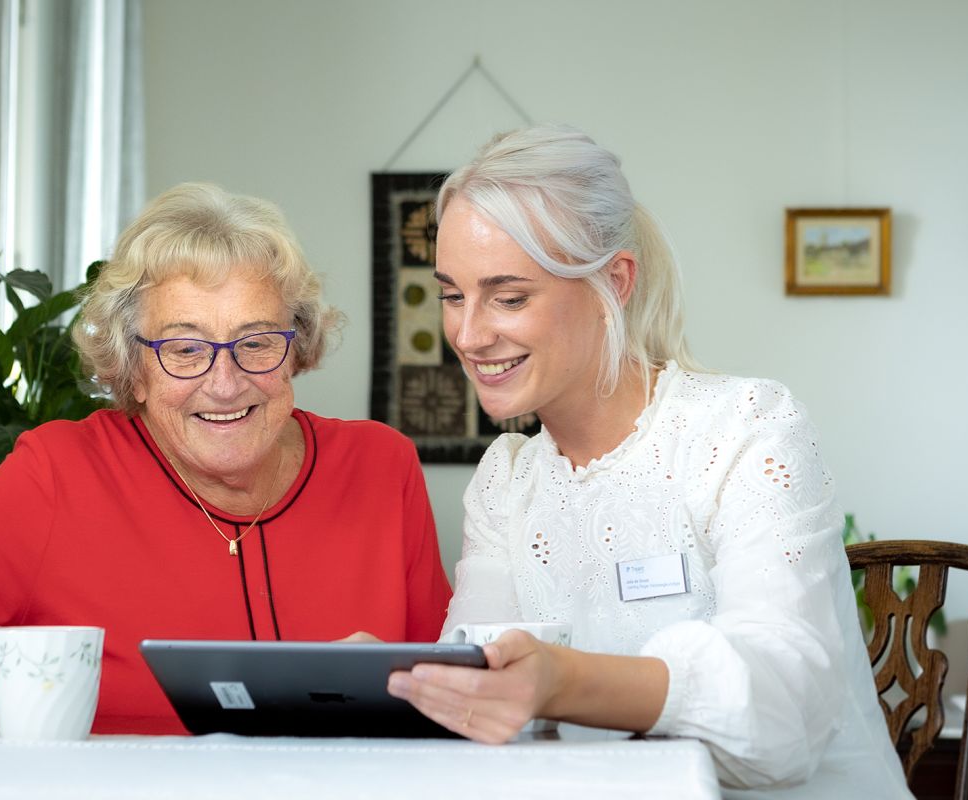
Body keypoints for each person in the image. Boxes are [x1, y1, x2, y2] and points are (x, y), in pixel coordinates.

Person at [0, 183, 451, 735]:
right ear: (133, 370)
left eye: (256, 343)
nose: (225, 383)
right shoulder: (59, 474)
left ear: (298, 351)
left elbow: (454, 696)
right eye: (184, 350)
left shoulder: (378, 467)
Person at [384, 126, 911, 798]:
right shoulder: (507, 480)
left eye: (509, 297)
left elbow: (786, 712)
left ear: (614, 281)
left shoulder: (747, 430)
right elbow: (480, 697)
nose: (467, 333)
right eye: (454, 295)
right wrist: (394, 682)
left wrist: (561, 679)